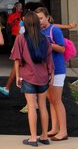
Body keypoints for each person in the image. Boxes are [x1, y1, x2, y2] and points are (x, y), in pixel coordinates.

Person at [10, 11, 54, 147]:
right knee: (43, 107)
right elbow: (49, 60)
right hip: (43, 77)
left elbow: (17, 60)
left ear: (26, 24)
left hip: (28, 77)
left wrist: (17, 76)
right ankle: (45, 136)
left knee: (31, 107)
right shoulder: (45, 39)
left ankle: (33, 138)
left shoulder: (20, 38)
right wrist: (50, 75)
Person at [35, 7, 68, 141]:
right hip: (46, 70)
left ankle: (63, 131)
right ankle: (55, 128)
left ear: (47, 17)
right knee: (51, 100)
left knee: (57, 100)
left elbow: (62, 48)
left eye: (41, 18)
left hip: (58, 69)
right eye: (37, 19)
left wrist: (47, 42)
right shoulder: (39, 31)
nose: (39, 21)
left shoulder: (54, 30)